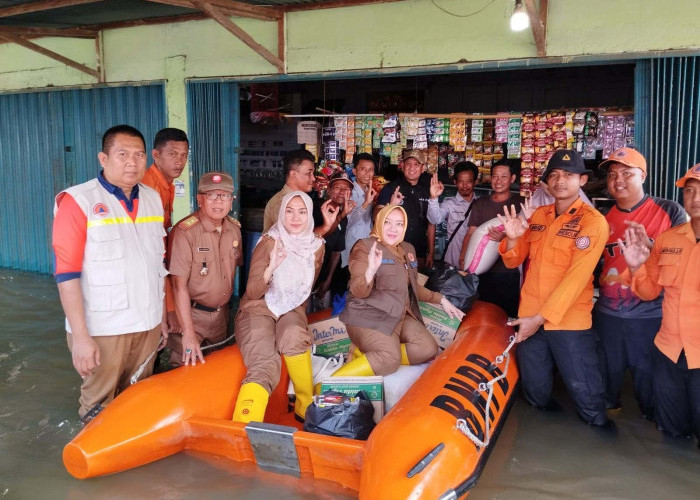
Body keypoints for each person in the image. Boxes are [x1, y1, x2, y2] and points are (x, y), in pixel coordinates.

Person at [52, 124, 167, 421]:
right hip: (103, 328)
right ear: (103, 159)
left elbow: (156, 267)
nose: (132, 162)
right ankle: (89, 461)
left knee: (138, 398)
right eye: (123, 154)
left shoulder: (153, 199)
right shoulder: (79, 201)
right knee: (97, 407)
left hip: (148, 323)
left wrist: (162, 319)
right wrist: (80, 338)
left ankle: (132, 462)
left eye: (139, 155)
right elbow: (67, 276)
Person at [498, 149, 609, 426]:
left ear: (582, 180)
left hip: (569, 323)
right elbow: (514, 261)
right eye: (554, 175)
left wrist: (538, 319)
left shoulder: (592, 221)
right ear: (547, 183)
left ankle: (601, 439)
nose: (560, 181)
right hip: (530, 317)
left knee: (588, 399)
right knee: (535, 395)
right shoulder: (538, 216)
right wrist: (512, 238)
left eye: (569, 175)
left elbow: (577, 278)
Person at [594, 147, 687, 419]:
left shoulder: (669, 210)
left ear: (643, 175)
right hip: (608, 312)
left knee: (648, 382)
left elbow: (688, 253)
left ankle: (653, 424)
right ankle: (607, 431)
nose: (618, 180)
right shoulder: (601, 219)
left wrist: (653, 248)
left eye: (627, 173)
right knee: (606, 381)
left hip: (650, 312)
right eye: (612, 175)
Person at [333, 205, 465, 377]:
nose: (393, 229)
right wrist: (371, 270)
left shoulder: (408, 249)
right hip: (368, 316)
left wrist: (441, 300)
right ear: (379, 222)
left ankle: (370, 355)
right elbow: (358, 290)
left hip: (400, 314)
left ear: (404, 226)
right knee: (390, 359)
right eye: (387, 222)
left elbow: (410, 285)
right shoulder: (365, 246)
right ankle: (328, 384)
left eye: (399, 224)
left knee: (427, 348)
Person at [620, 163, 700, 443]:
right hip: (668, 352)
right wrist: (634, 266)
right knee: (671, 432)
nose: (695, 199)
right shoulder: (667, 240)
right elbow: (648, 292)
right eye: (690, 191)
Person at [232, 192, 325, 423]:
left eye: (302, 211)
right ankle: (243, 426)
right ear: (281, 212)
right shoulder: (269, 241)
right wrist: (271, 268)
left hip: (291, 307)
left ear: (309, 215)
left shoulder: (316, 246)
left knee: (294, 334)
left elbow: (306, 286)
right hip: (259, 306)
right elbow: (253, 291)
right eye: (289, 211)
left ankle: (305, 404)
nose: (295, 217)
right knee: (265, 363)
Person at [167, 172, 242, 367]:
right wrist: (188, 332)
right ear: (200, 199)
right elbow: (178, 286)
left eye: (225, 195)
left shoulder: (234, 230)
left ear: (232, 200)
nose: (219, 201)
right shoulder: (185, 232)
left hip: (221, 317)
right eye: (211, 195)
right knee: (183, 374)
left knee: (215, 372)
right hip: (192, 317)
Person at [459, 160, 525, 318]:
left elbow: (526, 236)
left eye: (504, 176)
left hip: (508, 272)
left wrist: (505, 237)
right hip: (482, 273)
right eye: (495, 176)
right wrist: (462, 260)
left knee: (507, 315)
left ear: (513, 178)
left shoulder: (520, 203)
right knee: (482, 314)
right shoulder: (480, 203)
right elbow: (471, 232)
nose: (498, 181)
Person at [141, 127, 189, 337]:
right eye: (172, 154)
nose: (179, 161)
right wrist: (169, 310)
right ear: (156, 155)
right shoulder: (148, 190)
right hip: (146, 280)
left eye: (184, 155)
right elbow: (154, 257)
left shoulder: (166, 184)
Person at [375, 150, 441, 268]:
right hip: (392, 249)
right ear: (402, 165)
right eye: (408, 163)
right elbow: (375, 217)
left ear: (423, 168)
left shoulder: (428, 189)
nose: (412, 168)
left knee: (416, 281)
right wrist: (390, 206)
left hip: (418, 251)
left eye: (416, 164)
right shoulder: (391, 188)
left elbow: (432, 223)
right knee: (394, 281)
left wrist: (431, 253)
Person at [312, 172, 356, 307]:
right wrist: (341, 215)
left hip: (324, 275)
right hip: (309, 273)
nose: (342, 192)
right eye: (338, 187)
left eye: (346, 189)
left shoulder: (343, 217)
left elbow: (336, 252)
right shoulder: (317, 208)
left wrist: (328, 280)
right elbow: (320, 235)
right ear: (329, 190)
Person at [426, 161, 479, 267]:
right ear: (455, 182)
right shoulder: (449, 203)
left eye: (469, 181)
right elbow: (434, 220)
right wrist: (433, 198)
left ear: (475, 182)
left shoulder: (481, 204)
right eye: (460, 181)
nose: (464, 186)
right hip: (452, 262)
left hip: (475, 263)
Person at [263, 149, 316, 232]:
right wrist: (326, 227)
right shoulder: (281, 202)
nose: (313, 178)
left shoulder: (301, 199)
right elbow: (294, 238)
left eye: (313, 174)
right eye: (308, 174)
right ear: (293, 174)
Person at [340, 153, 377, 271]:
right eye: (363, 169)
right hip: (352, 247)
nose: (368, 173)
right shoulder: (348, 193)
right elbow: (348, 222)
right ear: (355, 171)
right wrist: (366, 203)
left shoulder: (370, 191)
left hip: (367, 246)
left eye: (371, 170)